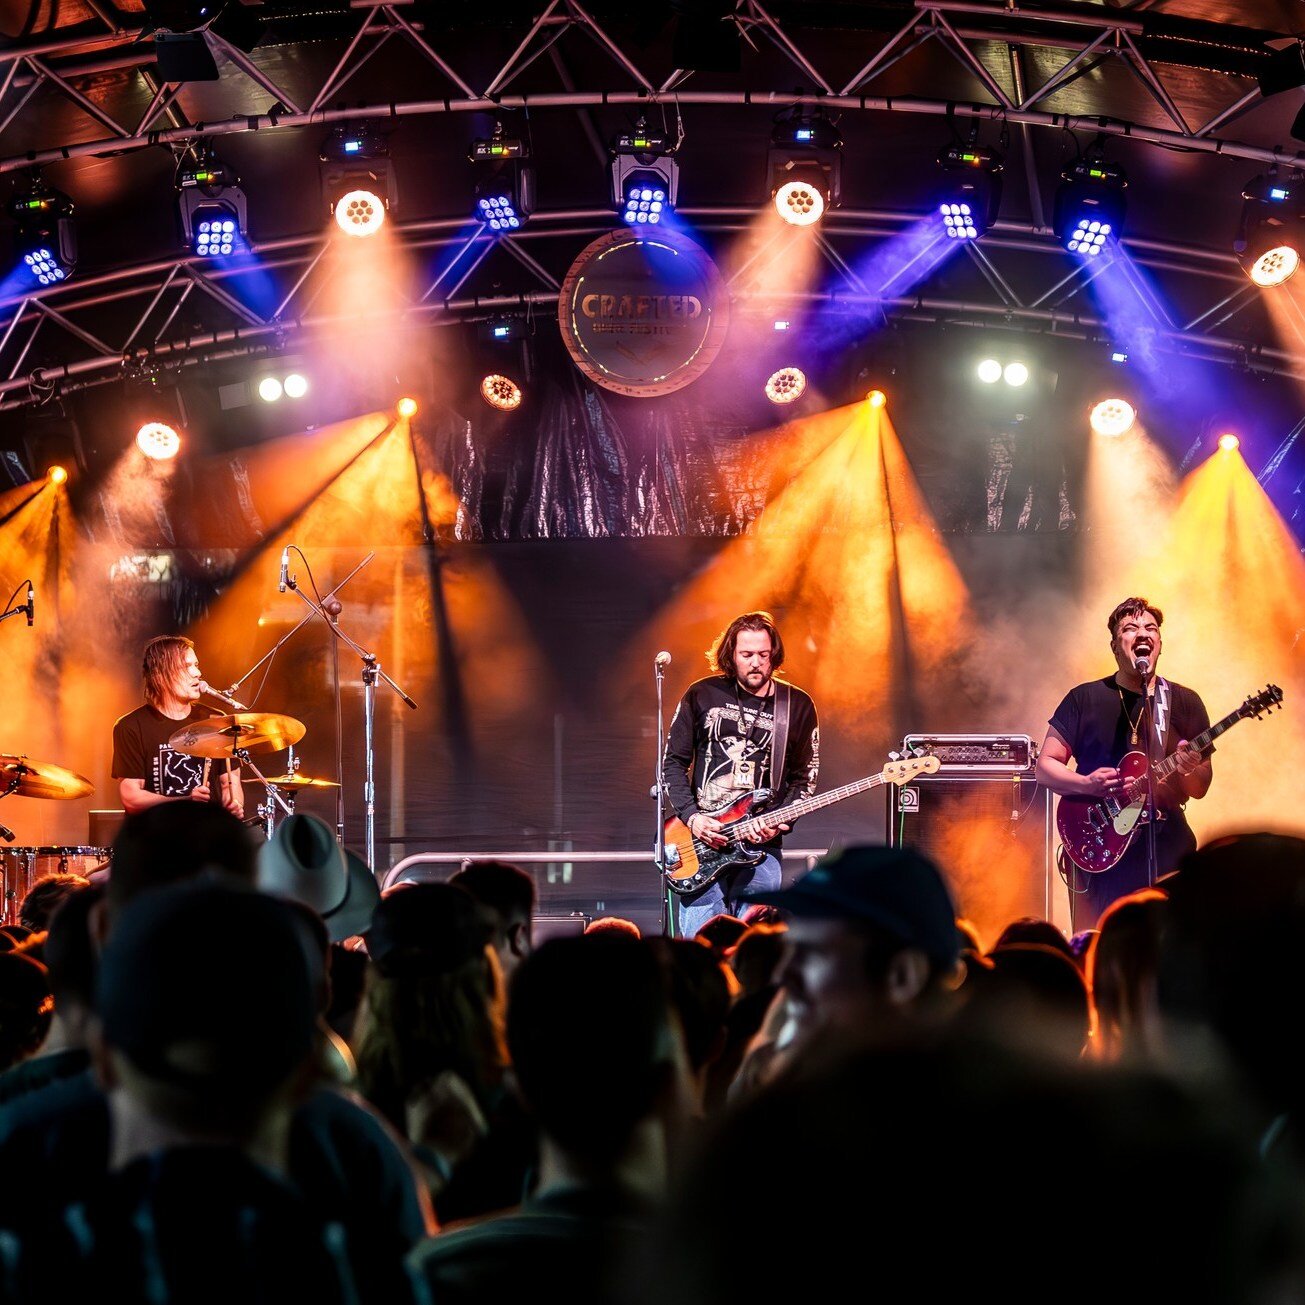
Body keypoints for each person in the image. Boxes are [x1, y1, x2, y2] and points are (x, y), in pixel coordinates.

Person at [1035, 597, 1211, 931]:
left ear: (1159, 644)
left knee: (1171, 948)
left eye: (1151, 628)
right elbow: (1045, 768)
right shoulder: (1084, 698)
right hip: (1101, 852)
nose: (1143, 633)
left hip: (1167, 846)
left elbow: (1200, 787)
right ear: (1116, 646)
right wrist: (1086, 784)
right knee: (1101, 948)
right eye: (1130, 629)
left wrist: (1188, 767)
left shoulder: (1184, 702)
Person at [661, 611, 819, 938]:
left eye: (763, 655)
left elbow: (804, 779)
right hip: (702, 842)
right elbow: (672, 763)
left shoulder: (798, 705)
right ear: (731, 655)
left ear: (774, 655)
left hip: (762, 849)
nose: (756, 663)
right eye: (747, 655)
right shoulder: (702, 694)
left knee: (755, 946)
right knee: (701, 948)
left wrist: (778, 819)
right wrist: (692, 818)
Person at [111, 635, 244, 817]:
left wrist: (234, 804)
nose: (197, 673)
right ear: (159, 675)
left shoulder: (216, 720)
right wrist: (185, 800)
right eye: (185, 667)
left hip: (204, 837)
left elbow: (230, 782)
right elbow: (131, 797)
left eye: (196, 665)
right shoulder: (131, 727)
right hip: (156, 837)